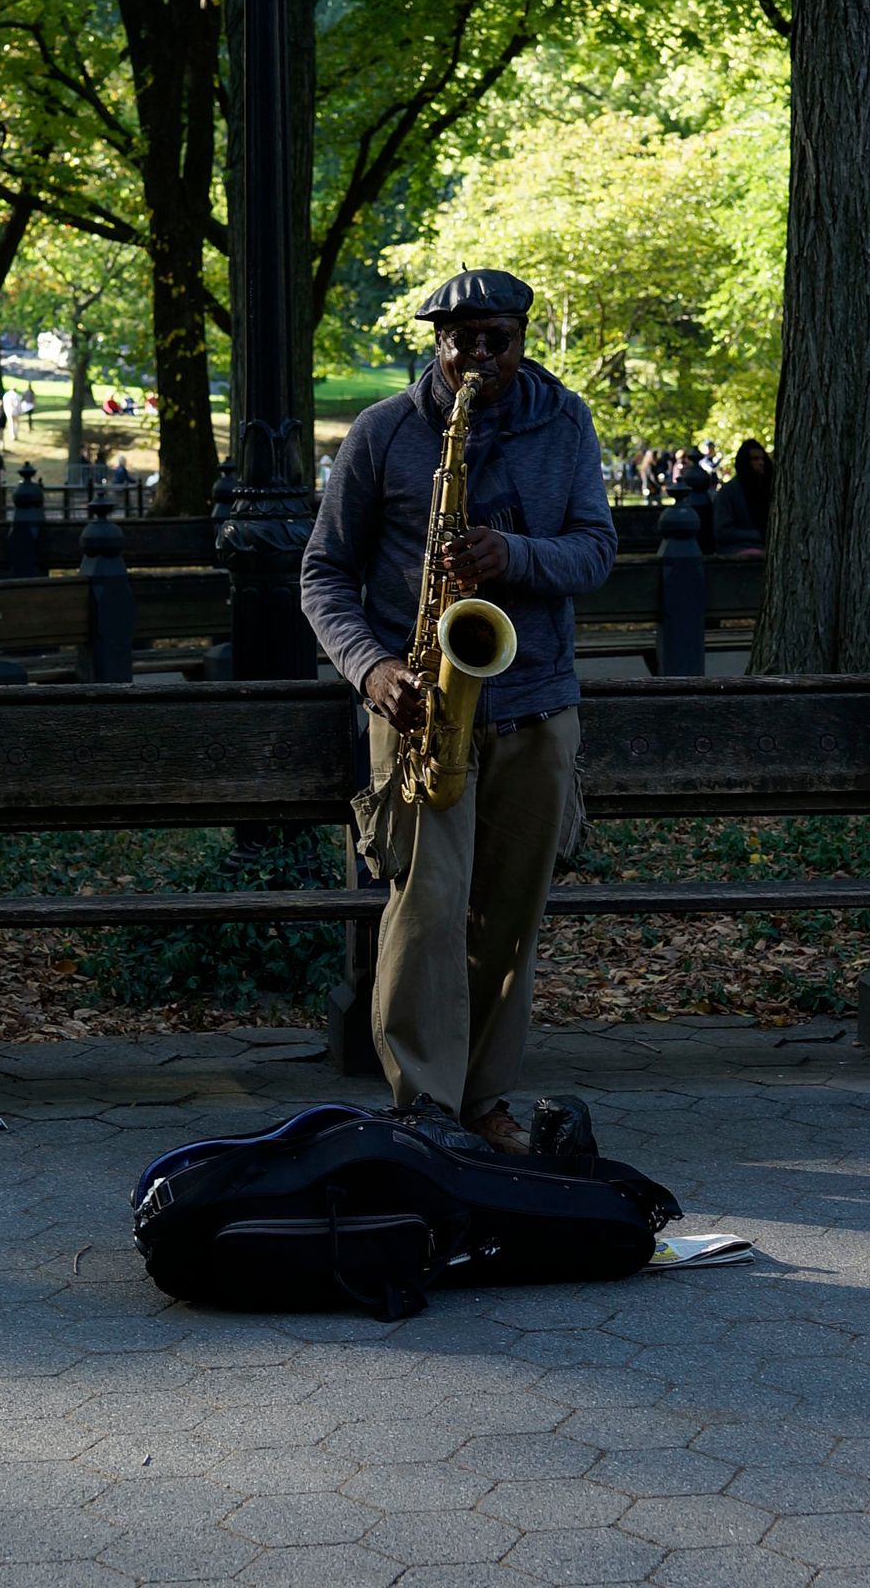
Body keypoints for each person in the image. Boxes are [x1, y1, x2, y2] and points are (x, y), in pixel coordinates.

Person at [300, 268, 617, 1154]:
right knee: (427, 908)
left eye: (497, 340)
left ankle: (486, 1100)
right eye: (460, 339)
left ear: (522, 336)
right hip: (417, 704)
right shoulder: (383, 432)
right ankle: (424, 1107)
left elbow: (596, 551)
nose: (478, 356)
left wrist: (509, 555)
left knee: (511, 913)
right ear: (435, 340)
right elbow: (323, 573)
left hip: (536, 698)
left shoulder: (567, 422)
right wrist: (370, 671)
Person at [713, 438, 774, 558]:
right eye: (755, 459)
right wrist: (757, 535)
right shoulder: (728, 492)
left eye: (762, 459)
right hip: (737, 550)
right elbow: (722, 531)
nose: (761, 463)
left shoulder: (768, 489)